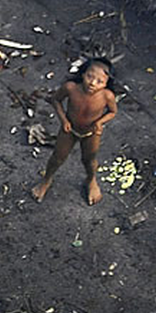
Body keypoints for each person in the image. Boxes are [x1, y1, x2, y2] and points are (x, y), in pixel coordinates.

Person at [31, 58, 118, 205]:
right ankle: (47, 180)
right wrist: (64, 120)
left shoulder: (106, 96)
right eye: (90, 76)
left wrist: (100, 122)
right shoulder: (71, 88)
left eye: (100, 81)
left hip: (91, 133)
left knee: (89, 160)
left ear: (106, 84)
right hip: (69, 130)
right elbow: (56, 100)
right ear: (83, 74)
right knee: (57, 157)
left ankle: (91, 180)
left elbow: (112, 112)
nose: (92, 83)